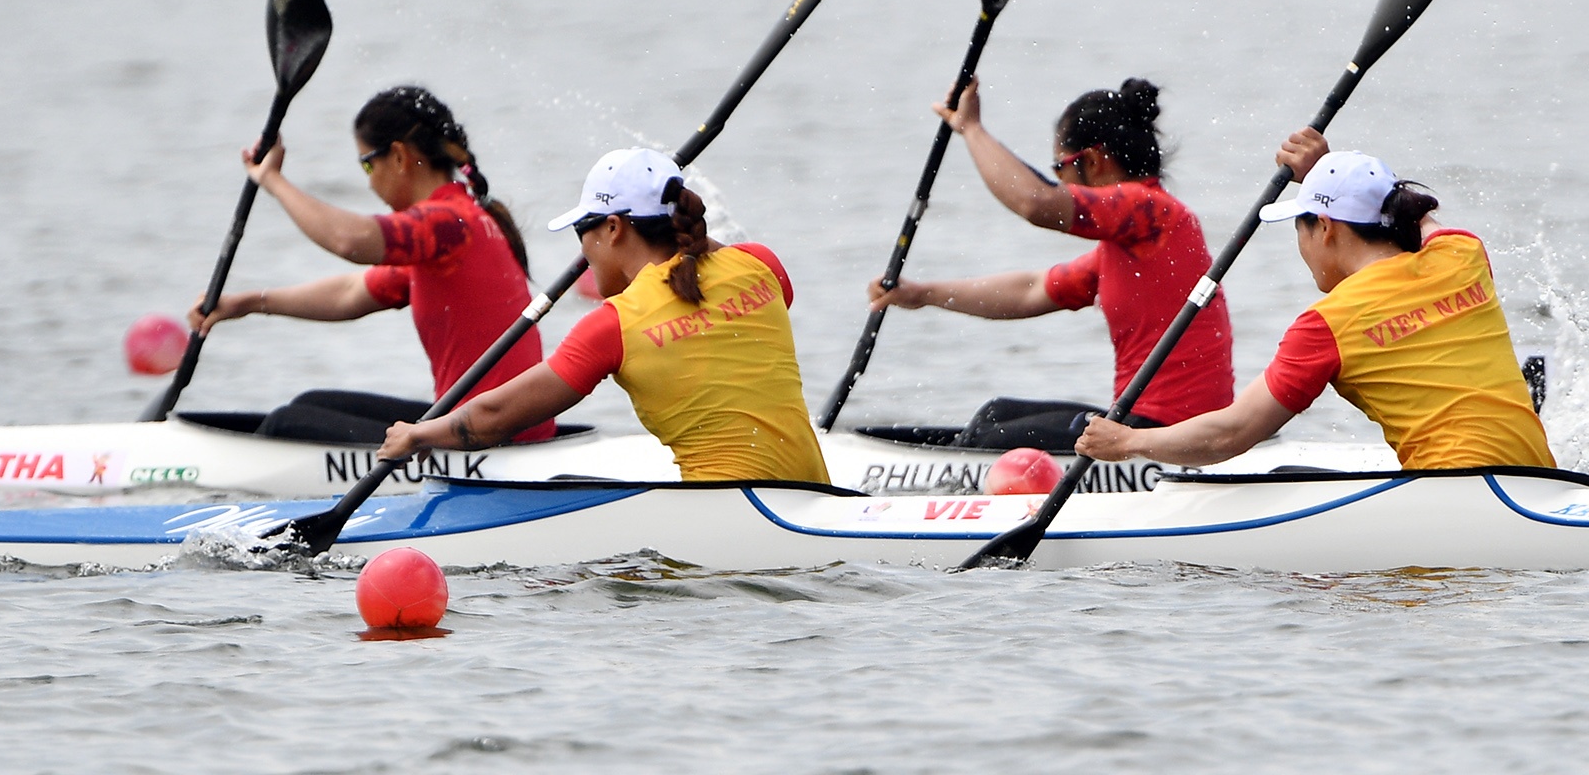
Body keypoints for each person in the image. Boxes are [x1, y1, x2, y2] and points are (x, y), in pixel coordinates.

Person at [1077, 131, 1554, 471]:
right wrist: (1327, 175)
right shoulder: (1461, 253)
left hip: (1451, 496)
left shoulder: (1327, 324)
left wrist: (1129, 441)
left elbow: (1232, 433)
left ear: (1324, 228)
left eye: (1300, 228)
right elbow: (1417, 214)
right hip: (1539, 478)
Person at [378, 148, 830, 483]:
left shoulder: (614, 324)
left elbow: (497, 414)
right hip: (815, 496)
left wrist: (418, 436)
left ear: (614, 228)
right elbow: (711, 275)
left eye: (583, 229)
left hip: (721, 519)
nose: (582, 248)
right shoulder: (761, 266)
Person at [868, 77, 1233, 452]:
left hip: (1171, 434)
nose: (1058, 182)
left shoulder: (1150, 211)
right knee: (994, 415)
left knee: (987, 440)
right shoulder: (1135, 242)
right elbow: (1030, 291)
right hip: (1146, 425)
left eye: (1060, 169)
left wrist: (971, 130)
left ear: (1092, 161)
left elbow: (1036, 204)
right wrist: (923, 294)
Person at [192, 86, 554, 444]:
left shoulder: (446, 223)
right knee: (312, 404)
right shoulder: (458, 227)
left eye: (368, 163)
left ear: (398, 157)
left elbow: (348, 240)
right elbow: (350, 294)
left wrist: (271, 180)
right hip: (489, 424)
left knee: (287, 424)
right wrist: (248, 303)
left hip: (491, 437)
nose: (368, 182)